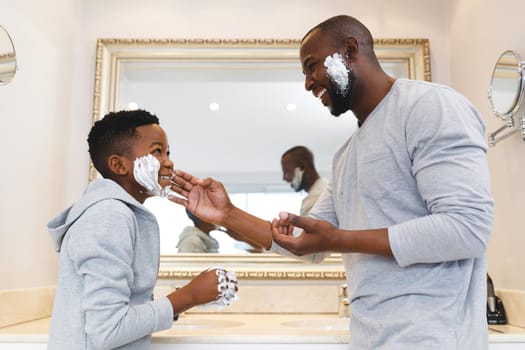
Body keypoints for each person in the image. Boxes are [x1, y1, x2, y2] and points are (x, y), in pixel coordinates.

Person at [168, 14, 494, 350]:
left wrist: (340, 239)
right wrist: (227, 214)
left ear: (350, 50)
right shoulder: (346, 155)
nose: (308, 83)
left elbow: (467, 229)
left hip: (435, 339)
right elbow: (305, 243)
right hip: (371, 339)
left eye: (312, 66)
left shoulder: (429, 107)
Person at [46, 109, 237, 350]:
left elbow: (118, 314)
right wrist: (189, 296)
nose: (169, 161)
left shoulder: (117, 213)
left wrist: (185, 300)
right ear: (118, 164)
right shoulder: (109, 216)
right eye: (157, 151)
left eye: (168, 152)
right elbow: (107, 330)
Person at [280, 145, 328, 216]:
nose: (284, 178)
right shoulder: (325, 187)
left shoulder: (317, 197)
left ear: (302, 167)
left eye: (287, 171)